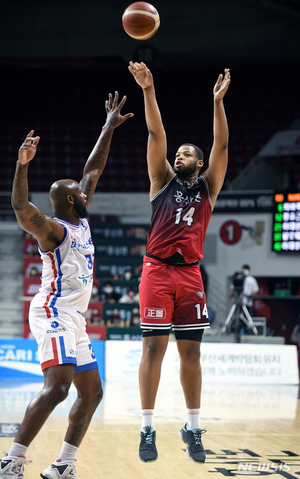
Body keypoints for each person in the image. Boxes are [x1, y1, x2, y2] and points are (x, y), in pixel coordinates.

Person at [0, 92, 133, 479]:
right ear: (74, 199)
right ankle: (12, 459)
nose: (87, 189)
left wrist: (108, 126)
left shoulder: (81, 218)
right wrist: (21, 167)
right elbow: (22, 210)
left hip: (74, 316)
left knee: (91, 392)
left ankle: (64, 464)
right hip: (52, 310)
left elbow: (93, 168)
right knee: (58, 387)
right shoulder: (55, 231)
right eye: (81, 190)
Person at [128, 61, 230, 464]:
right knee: (153, 350)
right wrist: (148, 89)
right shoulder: (161, 180)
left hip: (190, 275)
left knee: (191, 354)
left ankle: (192, 425)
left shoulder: (210, 187)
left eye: (188, 153)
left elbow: (221, 145)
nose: (180, 154)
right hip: (156, 271)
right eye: (179, 152)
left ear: (199, 164)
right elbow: (156, 132)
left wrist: (217, 102)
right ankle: (147, 427)